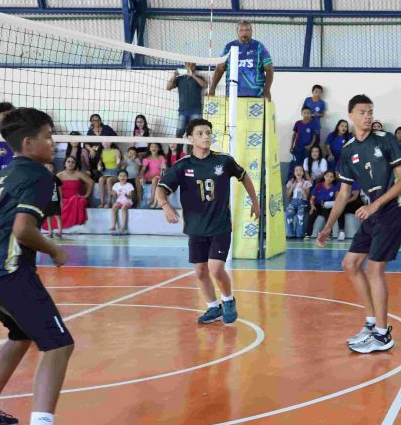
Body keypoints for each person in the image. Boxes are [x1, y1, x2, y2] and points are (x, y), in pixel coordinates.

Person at [0, 107, 85, 425]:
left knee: (20, 336)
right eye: (48, 136)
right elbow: (23, 230)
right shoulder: (38, 176)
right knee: (58, 345)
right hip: (10, 271)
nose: (53, 144)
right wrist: (55, 249)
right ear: (29, 142)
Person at [315, 95, 401, 354]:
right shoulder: (348, 150)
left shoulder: (386, 140)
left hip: (396, 208)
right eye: (362, 112)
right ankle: (371, 324)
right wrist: (328, 226)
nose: (368, 117)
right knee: (350, 264)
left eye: (370, 112)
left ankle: (383, 335)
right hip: (375, 211)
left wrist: (374, 205)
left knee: (374, 269)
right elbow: (343, 194)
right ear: (351, 115)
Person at [157, 119, 261, 324]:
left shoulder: (223, 161)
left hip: (220, 225)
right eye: (201, 133)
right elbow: (161, 188)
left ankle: (228, 300)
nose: (206, 136)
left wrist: (255, 202)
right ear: (190, 138)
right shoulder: (182, 166)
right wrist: (166, 205)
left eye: (208, 133)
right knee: (200, 271)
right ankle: (214, 308)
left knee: (215, 268)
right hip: (195, 227)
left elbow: (244, 176)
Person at [208, 20, 274, 102]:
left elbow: (269, 69)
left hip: (255, 95)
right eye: (241, 30)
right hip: (233, 95)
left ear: (251, 32)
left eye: (247, 30)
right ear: (237, 32)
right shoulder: (229, 47)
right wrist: (212, 88)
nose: (244, 33)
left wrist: (267, 89)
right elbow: (220, 68)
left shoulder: (259, 47)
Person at [166, 62, 207, 137]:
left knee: (195, 133)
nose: (190, 66)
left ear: (195, 67)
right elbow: (168, 87)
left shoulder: (199, 77)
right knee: (179, 132)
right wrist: (174, 76)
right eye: (188, 64)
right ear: (185, 66)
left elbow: (204, 85)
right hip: (182, 111)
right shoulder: (180, 79)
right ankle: (179, 148)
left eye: (192, 65)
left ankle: (192, 149)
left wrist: (193, 76)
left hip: (196, 110)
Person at [57, 155, 92, 229]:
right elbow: (54, 188)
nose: (70, 164)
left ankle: (78, 226)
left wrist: (86, 195)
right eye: (68, 162)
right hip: (63, 198)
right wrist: (59, 199)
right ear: (65, 164)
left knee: (81, 201)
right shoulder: (59, 175)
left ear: (75, 164)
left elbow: (91, 182)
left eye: (73, 162)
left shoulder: (79, 174)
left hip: (77, 198)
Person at [284, 165, 312, 240]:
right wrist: (292, 186)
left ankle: (299, 234)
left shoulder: (307, 182)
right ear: (294, 172)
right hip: (293, 202)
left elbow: (306, 197)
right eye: (296, 170)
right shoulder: (291, 182)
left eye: (300, 170)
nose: (298, 172)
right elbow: (287, 195)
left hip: (302, 202)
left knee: (300, 215)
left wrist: (302, 188)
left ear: (303, 173)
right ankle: (290, 234)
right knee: (288, 214)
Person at [96, 141, 122, 209]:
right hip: (106, 172)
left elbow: (119, 165)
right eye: (104, 142)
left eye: (108, 141)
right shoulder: (101, 152)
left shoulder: (116, 151)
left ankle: (109, 202)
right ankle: (102, 202)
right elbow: (99, 163)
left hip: (115, 172)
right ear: (101, 143)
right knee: (101, 179)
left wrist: (118, 161)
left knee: (109, 180)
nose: (106, 143)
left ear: (111, 142)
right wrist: (99, 167)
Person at [109, 170, 135, 236]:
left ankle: (123, 227)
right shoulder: (116, 185)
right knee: (114, 206)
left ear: (127, 177)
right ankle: (113, 225)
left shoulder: (129, 185)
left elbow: (131, 196)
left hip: (128, 202)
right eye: (120, 176)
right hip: (119, 201)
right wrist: (114, 194)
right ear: (118, 177)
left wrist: (127, 195)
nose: (122, 177)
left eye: (124, 176)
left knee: (123, 208)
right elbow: (114, 195)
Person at [42, 163, 63, 238]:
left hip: (55, 200)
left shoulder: (56, 178)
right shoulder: (43, 178)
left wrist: (61, 200)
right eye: (46, 167)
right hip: (47, 200)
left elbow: (59, 189)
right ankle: (50, 231)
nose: (48, 168)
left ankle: (60, 231)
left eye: (50, 167)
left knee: (58, 216)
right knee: (48, 216)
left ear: (53, 168)